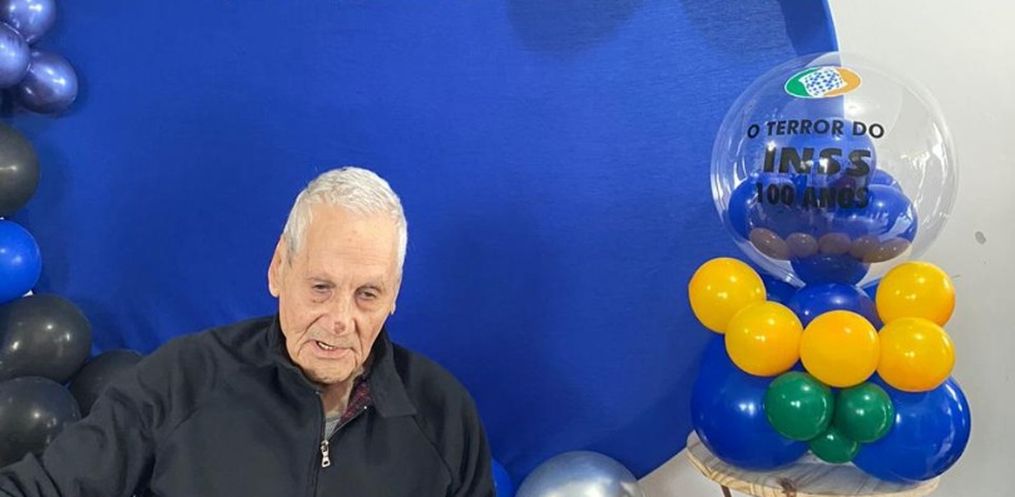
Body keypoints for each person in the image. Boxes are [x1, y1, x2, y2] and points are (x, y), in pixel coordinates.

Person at [0, 167, 495, 497]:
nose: (340, 319)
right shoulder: (181, 379)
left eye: (367, 294)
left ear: (394, 294)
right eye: (321, 287)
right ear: (279, 268)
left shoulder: (444, 414)